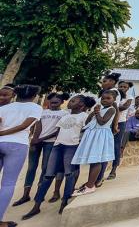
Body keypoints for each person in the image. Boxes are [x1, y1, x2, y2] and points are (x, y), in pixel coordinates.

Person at [22, 95, 96, 219]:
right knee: (48, 175)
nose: (69, 102)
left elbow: (87, 131)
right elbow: (58, 131)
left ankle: (64, 202)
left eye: (73, 101)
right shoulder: (65, 116)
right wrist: (41, 139)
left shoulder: (84, 117)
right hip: (57, 146)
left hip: (72, 147)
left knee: (69, 175)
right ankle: (36, 206)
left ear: (81, 105)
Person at [13, 92, 69, 207]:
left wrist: (42, 138)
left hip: (50, 142)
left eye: (56, 102)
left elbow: (58, 131)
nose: (53, 104)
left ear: (62, 102)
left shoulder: (64, 114)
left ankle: (40, 193)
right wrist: (35, 138)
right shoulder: (43, 112)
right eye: (51, 101)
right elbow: (37, 125)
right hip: (37, 142)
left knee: (45, 168)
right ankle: (25, 194)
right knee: (31, 168)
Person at [0, 84, 43, 227]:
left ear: (16, 94)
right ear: (34, 96)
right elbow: (25, 125)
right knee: (8, 184)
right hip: (17, 145)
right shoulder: (36, 108)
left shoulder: (4, 108)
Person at [71, 90, 117, 196]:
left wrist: (97, 113)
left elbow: (102, 122)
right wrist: (92, 112)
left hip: (100, 136)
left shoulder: (111, 109)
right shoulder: (100, 109)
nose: (104, 100)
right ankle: (89, 184)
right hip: (93, 135)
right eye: (103, 98)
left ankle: (90, 186)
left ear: (114, 100)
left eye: (108, 98)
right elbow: (87, 122)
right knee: (93, 160)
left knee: (96, 161)